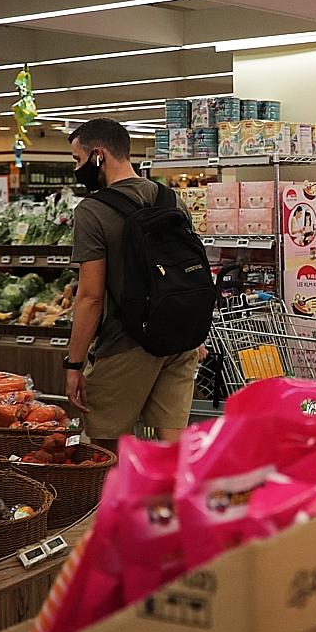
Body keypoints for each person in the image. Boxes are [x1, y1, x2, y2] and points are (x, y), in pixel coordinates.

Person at [65, 118, 199, 446]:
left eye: (78, 160)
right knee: (172, 446)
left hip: (126, 343)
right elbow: (189, 269)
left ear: (98, 155)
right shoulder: (171, 199)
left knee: (103, 448)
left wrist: (74, 364)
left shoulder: (92, 211)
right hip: (179, 339)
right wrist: (195, 331)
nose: (77, 169)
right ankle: (174, 484)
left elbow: (91, 297)